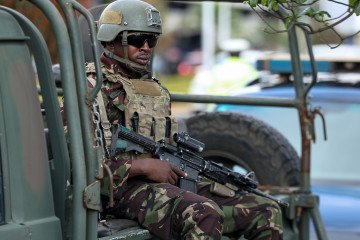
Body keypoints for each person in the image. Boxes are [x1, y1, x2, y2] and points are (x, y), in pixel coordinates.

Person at [86, 0, 284, 239]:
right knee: (203, 213)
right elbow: (80, 163)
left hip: (161, 182)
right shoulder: (92, 89)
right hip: (118, 189)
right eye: (138, 39)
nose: (146, 48)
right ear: (111, 40)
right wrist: (142, 167)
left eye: (152, 40)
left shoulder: (153, 89)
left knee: (265, 209)